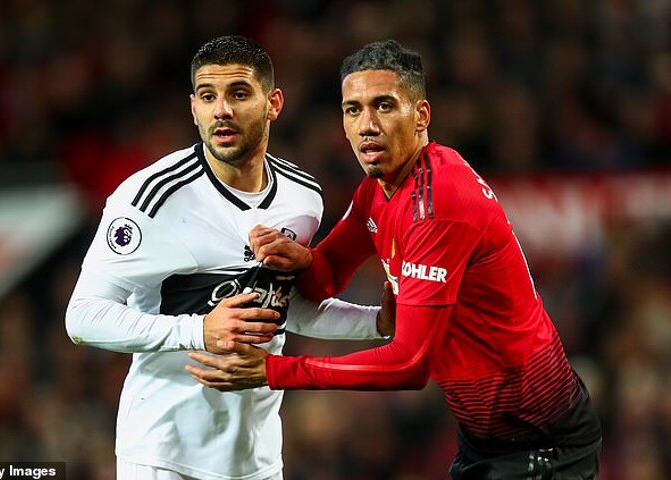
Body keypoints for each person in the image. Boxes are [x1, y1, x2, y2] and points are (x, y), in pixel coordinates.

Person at [186, 39, 603, 479]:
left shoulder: (439, 201)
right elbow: (323, 280)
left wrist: (275, 370)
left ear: (421, 115)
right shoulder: (378, 190)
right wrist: (297, 259)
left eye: (383, 106)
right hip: (488, 435)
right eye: (353, 110)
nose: (366, 125)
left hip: (543, 438)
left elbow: (409, 364)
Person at [65, 35, 394, 480]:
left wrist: (376, 322)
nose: (221, 109)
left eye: (238, 94)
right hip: (164, 455)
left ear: (273, 103)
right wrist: (199, 330)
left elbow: (280, 310)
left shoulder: (302, 197)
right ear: (193, 109)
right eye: (207, 96)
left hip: (256, 459)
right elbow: (83, 317)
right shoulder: (152, 198)